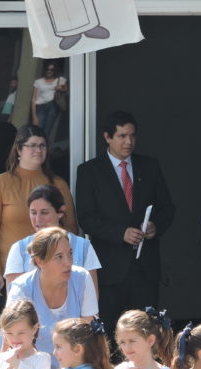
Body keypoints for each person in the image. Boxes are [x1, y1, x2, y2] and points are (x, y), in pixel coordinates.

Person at [76, 110, 175, 347]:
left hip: (145, 266)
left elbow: (167, 207)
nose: (128, 141)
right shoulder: (90, 171)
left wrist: (155, 226)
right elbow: (86, 218)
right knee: (108, 330)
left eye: (132, 136)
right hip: (110, 268)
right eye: (122, 136)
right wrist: (120, 233)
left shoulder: (149, 166)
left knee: (145, 328)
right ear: (107, 137)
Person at [0, 125, 78, 314]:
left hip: (52, 275)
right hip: (12, 276)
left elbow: (70, 228)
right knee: (16, 335)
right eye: (32, 145)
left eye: (42, 145)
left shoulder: (58, 184)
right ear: (18, 149)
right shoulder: (0, 183)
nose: (38, 150)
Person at [6, 227, 98, 369]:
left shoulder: (82, 278)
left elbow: (87, 336)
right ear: (40, 262)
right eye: (59, 257)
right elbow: (11, 341)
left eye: (70, 254)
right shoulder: (21, 289)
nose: (68, 262)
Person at [4, 184, 101, 291]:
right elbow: (15, 301)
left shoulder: (84, 247)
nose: (38, 220)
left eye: (44, 213)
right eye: (33, 213)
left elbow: (91, 297)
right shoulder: (18, 249)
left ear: (60, 212)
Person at [31, 61, 67, 137]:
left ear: (55, 71)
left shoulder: (60, 80)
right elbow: (34, 99)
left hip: (52, 105)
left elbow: (66, 88)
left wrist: (61, 88)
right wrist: (34, 116)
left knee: (47, 130)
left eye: (52, 70)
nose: (49, 71)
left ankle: (44, 146)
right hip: (40, 106)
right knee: (38, 129)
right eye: (47, 69)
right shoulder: (38, 82)